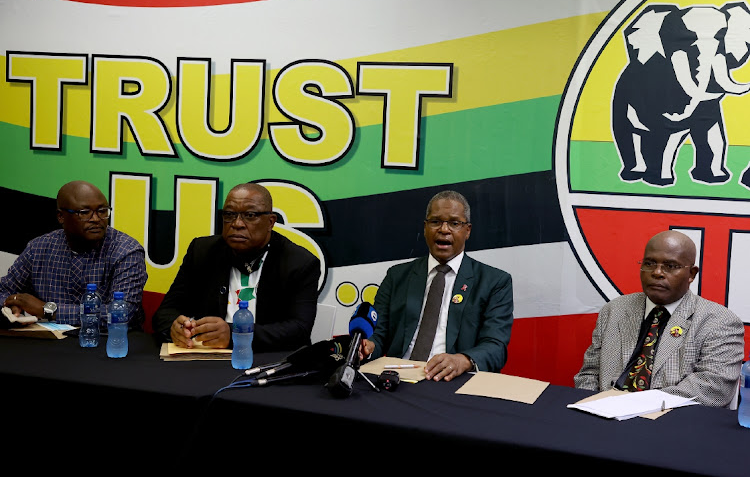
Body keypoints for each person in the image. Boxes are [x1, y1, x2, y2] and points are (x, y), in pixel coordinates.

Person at [574, 230, 744, 408]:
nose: (657, 273)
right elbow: (589, 374)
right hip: (603, 416)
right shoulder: (615, 310)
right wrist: (591, 409)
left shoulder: (720, 322)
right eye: (649, 263)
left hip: (672, 424)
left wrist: (631, 405)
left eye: (670, 266)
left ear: (692, 274)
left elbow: (713, 389)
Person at [361, 190, 513, 381]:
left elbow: (495, 346)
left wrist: (462, 360)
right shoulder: (397, 276)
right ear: (425, 228)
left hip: (454, 381)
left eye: (454, 223)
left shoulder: (494, 282)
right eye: (435, 222)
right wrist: (368, 347)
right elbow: (379, 334)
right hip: (397, 377)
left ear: (467, 231)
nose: (444, 229)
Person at [152, 182, 320, 352]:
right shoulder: (202, 251)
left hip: (267, 360)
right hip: (206, 359)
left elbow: (299, 330)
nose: (237, 223)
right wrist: (175, 328)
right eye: (230, 214)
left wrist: (236, 334)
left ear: (270, 222)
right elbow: (166, 312)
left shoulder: (299, 263)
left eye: (250, 215)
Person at [0, 181, 147, 327]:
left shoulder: (126, 251)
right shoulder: (38, 248)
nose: (96, 219)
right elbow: (3, 290)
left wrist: (48, 310)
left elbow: (122, 313)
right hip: (46, 342)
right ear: (61, 217)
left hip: (105, 343)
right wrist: (12, 303)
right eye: (84, 213)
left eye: (102, 211)